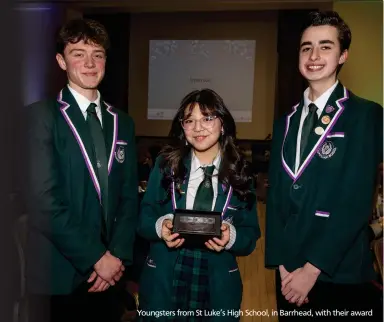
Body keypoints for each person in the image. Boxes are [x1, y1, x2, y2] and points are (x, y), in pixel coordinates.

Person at [265, 10, 383, 321]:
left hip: (337, 270)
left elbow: (355, 201)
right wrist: (282, 265)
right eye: (306, 47)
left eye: (325, 46)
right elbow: (276, 198)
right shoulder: (284, 122)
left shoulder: (365, 115)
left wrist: (312, 269)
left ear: (343, 55)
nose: (314, 56)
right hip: (288, 273)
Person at [25, 18, 138, 322]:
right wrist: (96, 258)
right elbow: (42, 201)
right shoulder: (40, 117)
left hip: (113, 274)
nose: (89, 63)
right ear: (61, 61)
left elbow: (129, 197)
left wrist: (116, 258)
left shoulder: (123, 122)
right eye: (78, 53)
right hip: (60, 275)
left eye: (97, 54)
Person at [137, 89, 260, 321]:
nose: (198, 127)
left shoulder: (240, 172)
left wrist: (231, 236)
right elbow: (143, 219)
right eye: (189, 120)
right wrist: (159, 226)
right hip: (166, 276)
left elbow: (250, 237)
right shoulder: (166, 165)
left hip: (216, 282)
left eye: (207, 118)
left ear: (222, 124)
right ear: (182, 128)